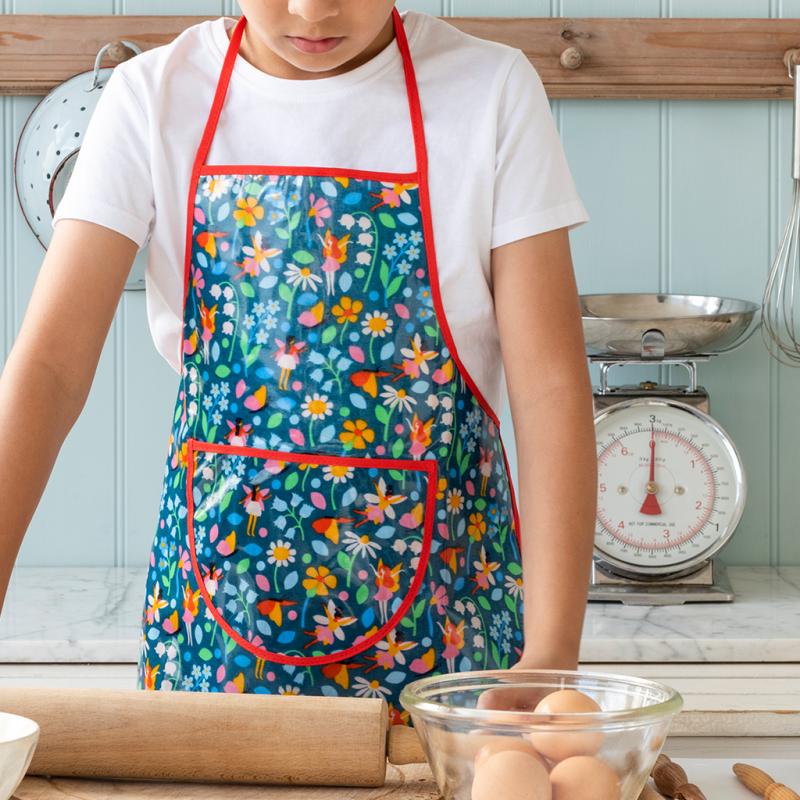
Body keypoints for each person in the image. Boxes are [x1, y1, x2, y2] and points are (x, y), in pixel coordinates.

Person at [0, 0, 597, 715]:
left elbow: (550, 389)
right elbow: (49, 372)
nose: (312, 9)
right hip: (215, 637)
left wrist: (551, 657)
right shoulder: (152, 100)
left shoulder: (490, 91)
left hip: (451, 640)